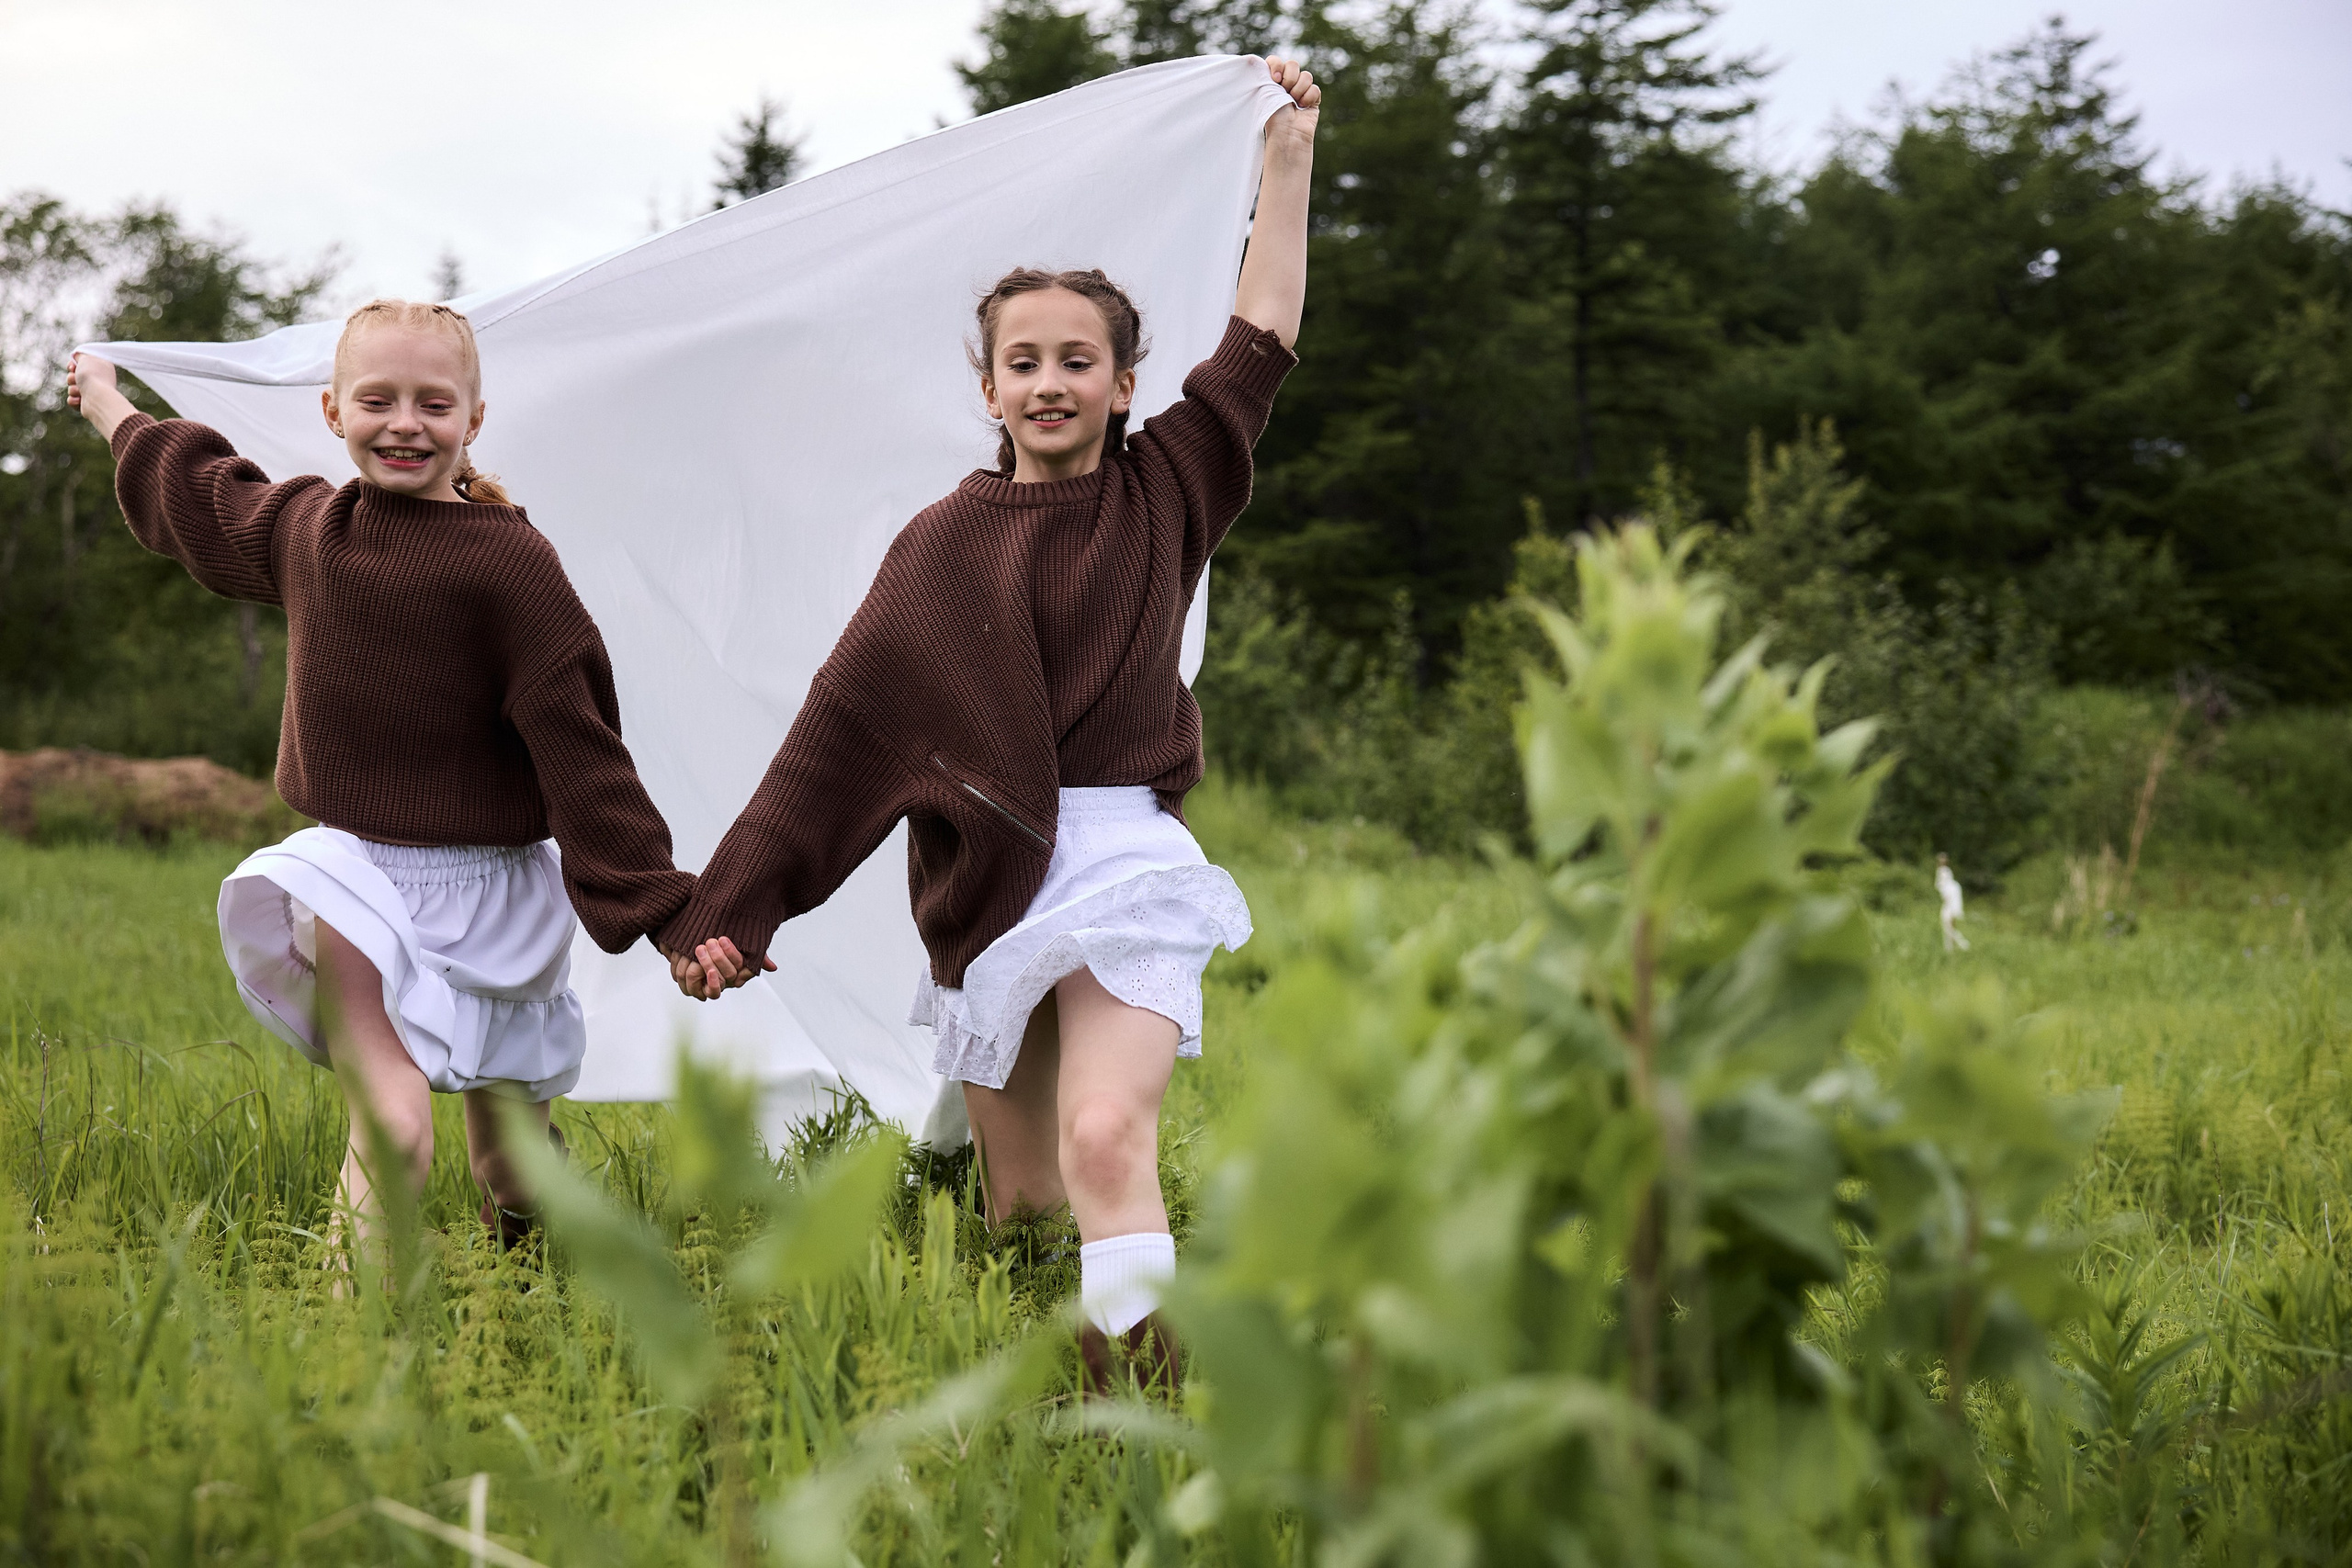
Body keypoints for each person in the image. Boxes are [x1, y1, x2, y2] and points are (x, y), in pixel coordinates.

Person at [662, 56, 1322, 1393]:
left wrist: (1290, 157)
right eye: (1024, 361)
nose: (1050, 382)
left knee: (1100, 1140)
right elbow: (837, 740)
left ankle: (1144, 1397)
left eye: (1079, 360)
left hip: (1124, 861)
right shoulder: (941, 549)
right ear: (988, 389)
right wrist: (731, 910)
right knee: (1021, 1214)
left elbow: (1262, 339)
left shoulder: (1170, 490)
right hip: (990, 884)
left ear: (1127, 383)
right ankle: (1034, 1412)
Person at [66, 301, 694, 1263]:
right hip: (356, 878)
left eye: (432, 403)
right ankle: (354, 1364)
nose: (404, 422)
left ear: (473, 420)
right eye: (377, 399)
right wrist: (109, 405)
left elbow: (582, 747)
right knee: (394, 1122)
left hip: (499, 894)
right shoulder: (311, 530)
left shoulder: (511, 566)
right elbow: (201, 493)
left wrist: (663, 910)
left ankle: (525, 1288)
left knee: (513, 1168)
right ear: (332, 411)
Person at [1936, 852, 1969, 953]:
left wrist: (1946, 898)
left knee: (1947, 922)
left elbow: (1943, 887)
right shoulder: (1944, 871)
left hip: (1950, 898)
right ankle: (1952, 946)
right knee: (1948, 923)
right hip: (1950, 898)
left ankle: (1957, 945)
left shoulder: (1943, 872)